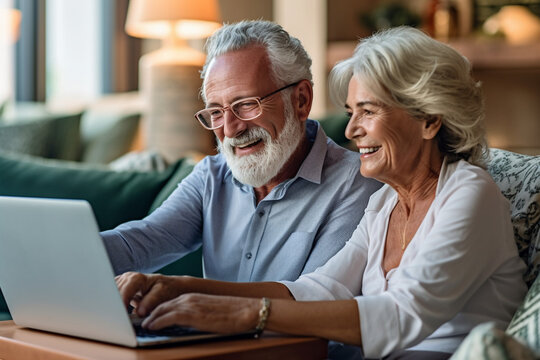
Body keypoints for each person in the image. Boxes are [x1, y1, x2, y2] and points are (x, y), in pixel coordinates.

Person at [115, 26, 528, 359]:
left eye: (367, 111)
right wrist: (186, 290)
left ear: (430, 120)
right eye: (351, 113)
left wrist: (243, 313)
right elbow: (317, 289)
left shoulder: (469, 194)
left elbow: (401, 315)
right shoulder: (385, 202)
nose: (350, 131)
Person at [101, 20, 381, 282]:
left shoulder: (357, 184)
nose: (231, 129)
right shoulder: (211, 175)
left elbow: (315, 300)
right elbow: (143, 241)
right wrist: (66, 249)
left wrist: (185, 293)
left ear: (301, 100)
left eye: (246, 104)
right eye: (216, 111)